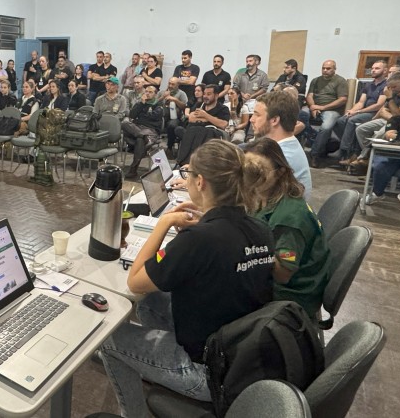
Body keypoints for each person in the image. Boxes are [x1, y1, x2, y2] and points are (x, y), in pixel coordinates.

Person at [100, 140, 274, 417]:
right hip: (238, 354)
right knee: (149, 300)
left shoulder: (200, 239)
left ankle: (134, 413)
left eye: (188, 174)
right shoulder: (260, 228)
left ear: (200, 182)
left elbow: (135, 280)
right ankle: (153, 365)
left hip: (207, 372)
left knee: (108, 338)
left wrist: (164, 223)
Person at [244, 138, 330, 319]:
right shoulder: (265, 195)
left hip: (288, 299)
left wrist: (242, 248)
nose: (252, 177)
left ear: (280, 172)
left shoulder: (288, 219)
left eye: (260, 171)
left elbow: (283, 272)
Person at [251, 90, 313, 200]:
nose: (252, 119)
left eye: (257, 115)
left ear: (274, 120)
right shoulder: (287, 145)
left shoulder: (280, 157)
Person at [335, 60, 388, 164]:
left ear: (385, 71)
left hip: (375, 113)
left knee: (352, 121)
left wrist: (358, 112)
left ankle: (345, 152)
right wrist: (352, 111)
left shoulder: (386, 86)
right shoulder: (368, 85)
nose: (373, 70)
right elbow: (361, 101)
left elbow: (379, 105)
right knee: (341, 120)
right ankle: (350, 148)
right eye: (372, 68)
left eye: (377, 68)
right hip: (363, 112)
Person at [305, 59, 348, 168]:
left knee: (326, 127)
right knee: (299, 116)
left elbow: (342, 99)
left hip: (331, 110)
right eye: (323, 68)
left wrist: (322, 107)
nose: (325, 70)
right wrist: (313, 107)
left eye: (328, 68)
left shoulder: (340, 81)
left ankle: (315, 154)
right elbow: (309, 95)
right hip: (315, 107)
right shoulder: (315, 80)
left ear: (334, 69)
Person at [122, 85, 164, 179]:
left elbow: (154, 117)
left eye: (150, 92)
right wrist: (142, 104)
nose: (147, 94)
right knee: (124, 123)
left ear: (156, 94)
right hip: (138, 128)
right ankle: (145, 137)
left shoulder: (159, 104)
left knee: (139, 140)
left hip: (150, 130)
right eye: (146, 92)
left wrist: (142, 116)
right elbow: (132, 115)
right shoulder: (140, 103)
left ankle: (133, 170)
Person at [161, 77, 189, 157]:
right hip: (162, 116)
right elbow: (155, 103)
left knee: (172, 125)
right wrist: (163, 97)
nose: (170, 85)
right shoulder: (163, 92)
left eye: (173, 84)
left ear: (178, 85)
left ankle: (169, 148)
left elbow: (185, 106)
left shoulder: (182, 94)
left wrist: (175, 100)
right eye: (169, 83)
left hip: (175, 117)